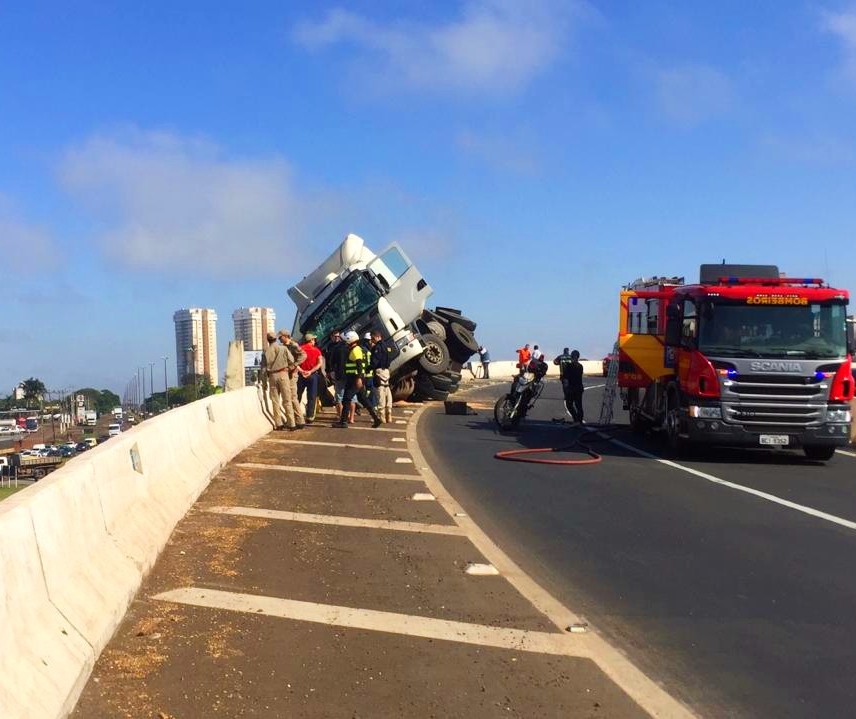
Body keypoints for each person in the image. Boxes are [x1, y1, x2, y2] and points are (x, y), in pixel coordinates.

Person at [334, 331, 382, 428]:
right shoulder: (356, 349)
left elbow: (359, 365)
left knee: (346, 399)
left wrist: (359, 378)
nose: (345, 342)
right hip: (354, 378)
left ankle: (343, 422)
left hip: (354, 378)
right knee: (363, 399)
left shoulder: (355, 350)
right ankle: (376, 418)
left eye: (346, 340)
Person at [260, 331, 297, 431]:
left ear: (268, 340)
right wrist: (288, 368)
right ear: (276, 339)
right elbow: (292, 360)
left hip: (272, 376)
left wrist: (264, 383)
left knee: (275, 401)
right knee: (287, 400)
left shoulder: (266, 351)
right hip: (283, 374)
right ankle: (292, 423)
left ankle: (279, 423)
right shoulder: (283, 348)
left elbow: (263, 369)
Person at [278, 329, 307, 428]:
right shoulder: (283, 347)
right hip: (287, 374)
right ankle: (298, 420)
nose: (279, 339)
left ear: (286, 336)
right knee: (290, 398)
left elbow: (303, 355)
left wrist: (294, 365)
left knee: (292, 397)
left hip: (292, 374)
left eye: (280, 337)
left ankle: (299, 420)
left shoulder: (293, 345)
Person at [297, 332, 323, 424]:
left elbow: (295, 363)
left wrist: (301, 371)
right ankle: (310, 416)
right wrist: (310, 371)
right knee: (311, 396)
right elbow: (320, 363)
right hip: (312, 375)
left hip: (301, 375)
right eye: (314, 339)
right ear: (311, 340)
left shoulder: (300, 349)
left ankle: (296, 415)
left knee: (297, 395)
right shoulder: (316, 350)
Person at [324, 329, 347, 417]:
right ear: (331, 337)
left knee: (343, 393)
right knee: (337, 391)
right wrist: (328, 371)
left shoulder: (343, 345)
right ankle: (340, 414)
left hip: (343, 372)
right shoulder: (329, 347)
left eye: (338, 336)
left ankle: (344, 414)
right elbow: (327, 360)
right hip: (333, 371)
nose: (337, 338)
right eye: (335, 336)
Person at [566, 350, 585, 424]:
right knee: (579, 405)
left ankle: (576, 418)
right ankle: (579, 420)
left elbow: (567, 378)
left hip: (572, 388)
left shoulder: (569, 366)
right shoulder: (580, 366)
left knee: (569, 404)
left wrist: (567, 388)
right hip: (579, 387)